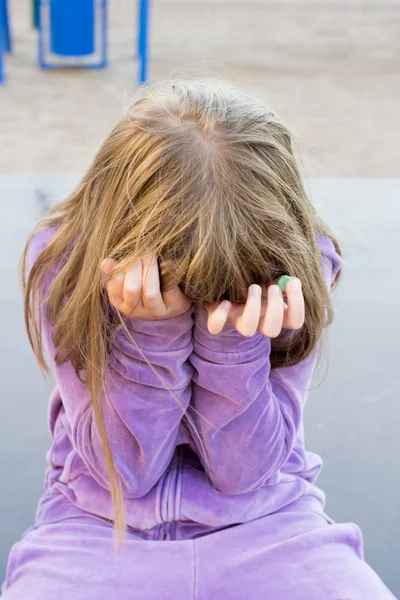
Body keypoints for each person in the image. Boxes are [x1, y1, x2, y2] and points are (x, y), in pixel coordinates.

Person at [1, 80, 395, 600]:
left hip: (266, 519)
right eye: (183, 283)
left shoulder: (291, 267)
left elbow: (244, 475)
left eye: (216, 288)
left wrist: (236, 345)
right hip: (98, 523)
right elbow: (125, 476)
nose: (199, 298)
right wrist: (151, 336)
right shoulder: (68, 265)